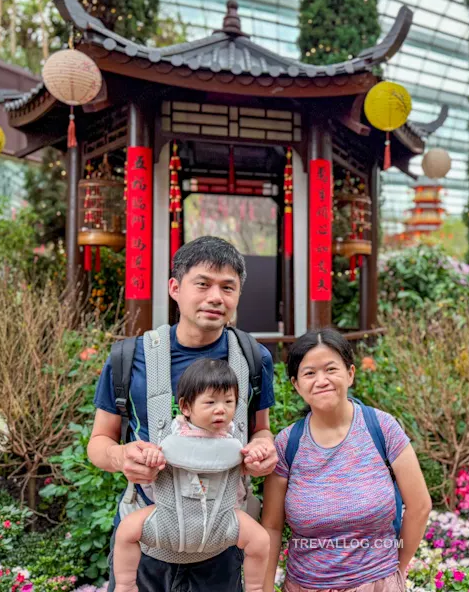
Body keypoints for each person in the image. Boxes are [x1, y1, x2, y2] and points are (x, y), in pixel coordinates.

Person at [88, 236, 277, 592]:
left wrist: (264, 452)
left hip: (223, 543)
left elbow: (261, 430)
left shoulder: (254, 359)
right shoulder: (129, 358)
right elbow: (99, 442)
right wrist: (120, 456)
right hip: (147, 544)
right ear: (175, 287)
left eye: (228, 287)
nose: (215, 297)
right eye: (202, 284)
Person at [261, 329, 432, 592]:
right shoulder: (287, 444)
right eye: (309, 373)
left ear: (350, 374)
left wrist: (396, 570)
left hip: (377, 584)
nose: (322, 381)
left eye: (331, 369)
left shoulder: (383, 428)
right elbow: (272, 527)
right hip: (305, 586)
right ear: (296, 384)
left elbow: (419, 506)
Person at [112, 358, 270, 592]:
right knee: (127, 529)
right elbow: (154, 467)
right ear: (186, 407)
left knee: (260, 539)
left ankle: (255, 587)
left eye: (229, 402)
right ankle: (125, 585)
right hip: (169, 516)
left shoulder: (234, 441)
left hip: (223, 519)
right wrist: (152, 459)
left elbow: (249, 462)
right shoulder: (174, 437)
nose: (221, 409)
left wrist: (257, 452)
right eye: (210, 402)